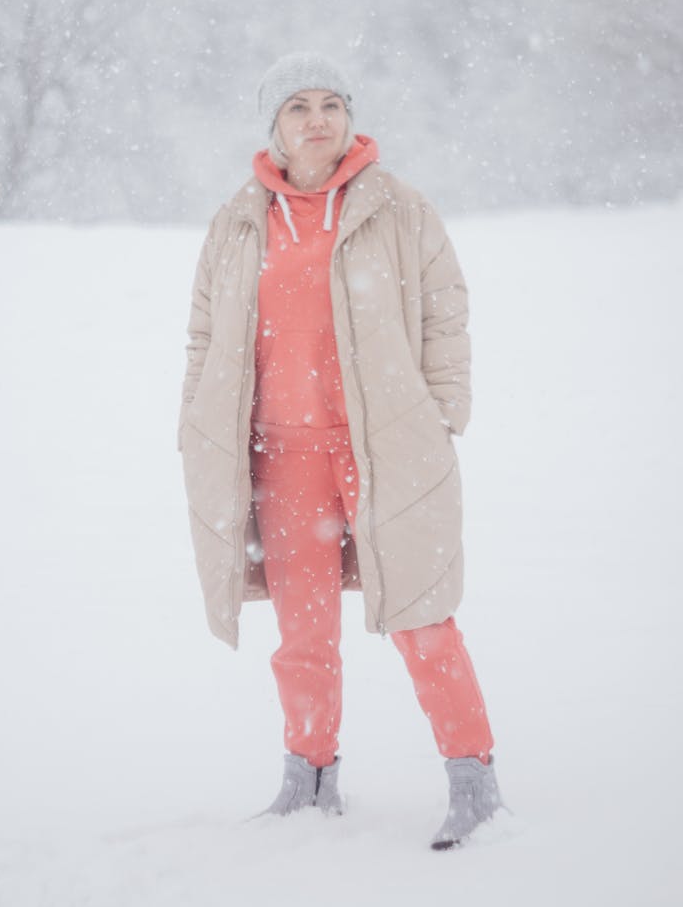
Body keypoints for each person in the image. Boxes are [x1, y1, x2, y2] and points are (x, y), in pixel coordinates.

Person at [178, 51, 502, 849]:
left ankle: (474, 783)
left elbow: (444, 310)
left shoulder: (396, 208)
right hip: (281, 456)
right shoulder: (239, 220)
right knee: (304, 632)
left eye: (330, 103)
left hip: (385, 447)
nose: (317, 118)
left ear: (350, 117)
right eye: (298, 106)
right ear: (274, 127)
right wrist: (197, 422)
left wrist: (442, 412)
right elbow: (203, 333)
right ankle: (309, 780)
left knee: (424, 616)